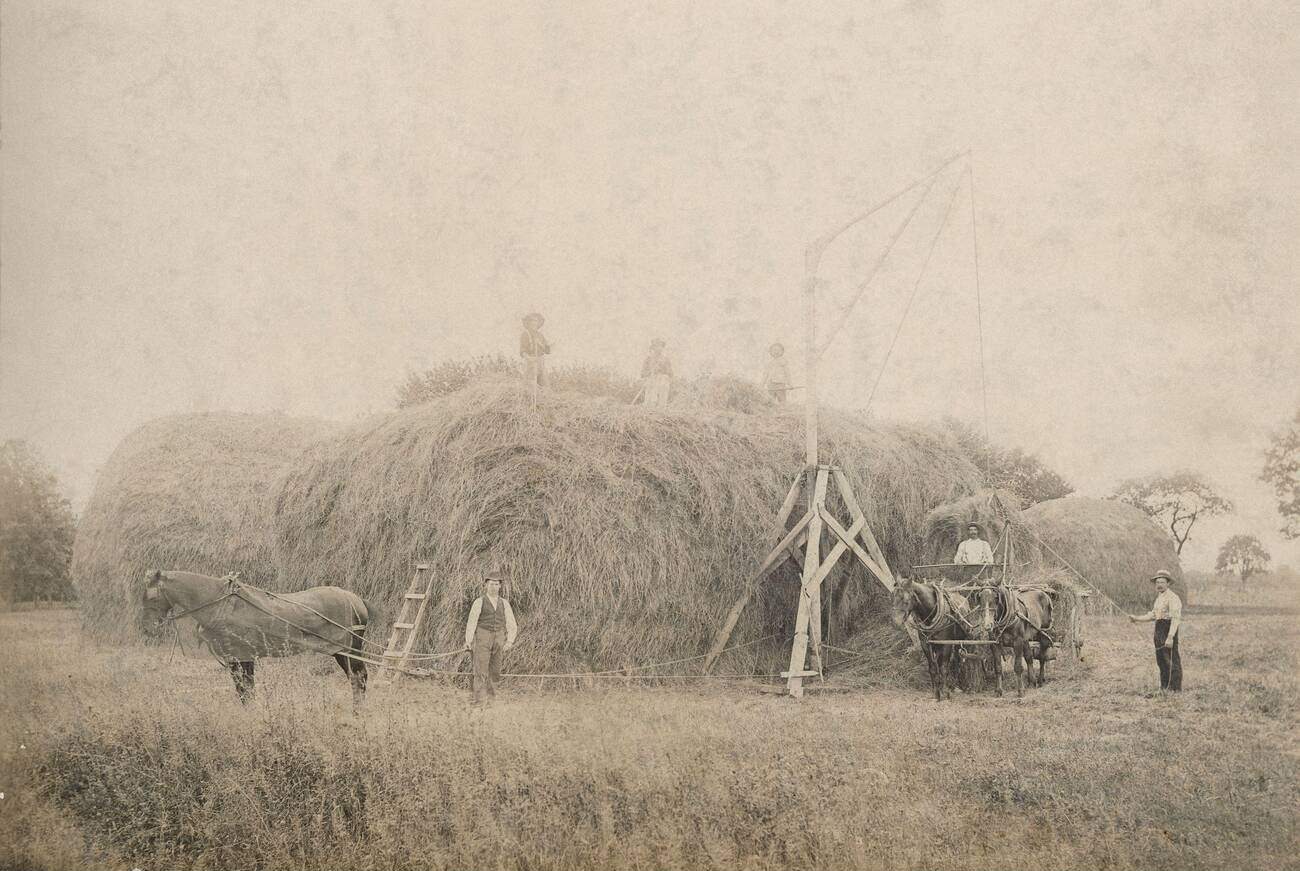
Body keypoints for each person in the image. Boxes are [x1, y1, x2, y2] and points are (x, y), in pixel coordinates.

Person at [463, 574, 519, 705]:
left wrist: (510, 640)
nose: (494, 587)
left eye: (496, 584)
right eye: (491, 584)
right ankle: (479, 701)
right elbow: (471, 622)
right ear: (486, 585)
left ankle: (491, 700)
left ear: (500, 586)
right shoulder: (479, 602)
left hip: (499, 638)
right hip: (483, 637)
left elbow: (511, 623)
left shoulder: (504, 603)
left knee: (495, 670)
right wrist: (468, 640)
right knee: (480, 670)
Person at [1128, 569, 1182, 692]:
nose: (1159, 585)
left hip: (1168, 629)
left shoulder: (1173, 598)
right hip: (1159, 629)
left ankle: (1175, 689)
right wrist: (1137, 618)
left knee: (1171, 659)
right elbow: (1153, 615)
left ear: (1168, 584)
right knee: (1161, 659)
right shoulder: (1159, 598)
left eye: (1162, 582)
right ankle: (1164, 687)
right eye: (1157, 582)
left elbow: (1176, 618)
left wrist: (1170, 637)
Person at [520, 313, 550, 404]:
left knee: (544, 383)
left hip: (541, 360)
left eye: (536, 321)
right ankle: (531, 404)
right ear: (528, 323)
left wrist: (545, 346)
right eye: (532, 321)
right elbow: (522, 351)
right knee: (531, 384)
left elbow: (547, 350)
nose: (534, 323)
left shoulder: (540, 335)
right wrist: (529, 359)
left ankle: (543, 403)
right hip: (531, 361)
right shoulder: (525, 334)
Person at [640, 338, 673, 407]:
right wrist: (651, 372)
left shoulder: (666, 360)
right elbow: (642, 374)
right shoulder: (648, 360)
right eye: (656, 346)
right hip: (651, 383)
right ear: (653, 348)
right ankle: (649, 408)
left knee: (664, 383)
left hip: (662, 383)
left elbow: (671, 373)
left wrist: (661, 370)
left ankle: (661, 409)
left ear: (662, 347)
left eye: (660, 346)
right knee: (650, 402)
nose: (658, 348)